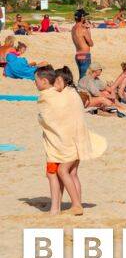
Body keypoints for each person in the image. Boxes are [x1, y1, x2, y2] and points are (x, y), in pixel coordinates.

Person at [35, 64, 106, 215]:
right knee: (72, 173)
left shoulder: (54, 96)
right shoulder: (72, 93)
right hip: (79, 140)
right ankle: (73, 204)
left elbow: (50, 118)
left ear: (60, 81)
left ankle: (73, 205)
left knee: (59, 171)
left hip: (65, 144)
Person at [71, 9, 93, 80]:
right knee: (85, 79)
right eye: (85, 17)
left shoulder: (73, 29)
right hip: (85, 56)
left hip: (78, 55)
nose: (86, 19)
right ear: (82, 18)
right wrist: (88, 29)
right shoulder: (83, 29)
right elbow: (91, 43)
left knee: (81, 77)